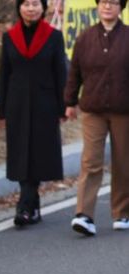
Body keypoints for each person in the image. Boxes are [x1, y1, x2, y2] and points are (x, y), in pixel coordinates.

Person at [64, 0, 129, 235]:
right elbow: (75, 72)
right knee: (90, 161)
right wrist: (69, 101)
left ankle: (121, 212)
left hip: (124, 110)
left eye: (113, 3)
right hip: (93, 108)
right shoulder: (85, 38)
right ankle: (84, 214)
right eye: (103, 2)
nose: (107, 7)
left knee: (123, 162)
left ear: (121, 7)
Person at [0, 0, 67, 227]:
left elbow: (60, 73)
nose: (31, 8)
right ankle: (31, 203)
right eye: (26, 4)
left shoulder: (54, 37)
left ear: (43, 7)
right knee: (20, 154)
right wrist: (3, 109)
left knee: (37, 154)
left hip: (44, 104)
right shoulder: (10, 37)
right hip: (17, 105)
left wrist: (64, 105)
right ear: (19, 8)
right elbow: (5, 74)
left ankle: (25, 206)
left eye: (35, 4)